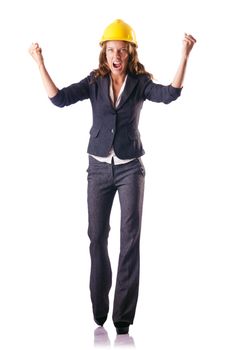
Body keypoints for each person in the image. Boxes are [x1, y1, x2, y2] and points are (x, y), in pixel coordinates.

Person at [29, 19, 196, 335]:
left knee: (130, 240)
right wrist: (40, 63)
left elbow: (170, 94)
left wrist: (184, 55)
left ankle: (123, 317)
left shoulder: (140, 82)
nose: (116, 56)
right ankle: (98, 308)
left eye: (121, 50)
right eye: (110, 50)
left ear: (130, 53)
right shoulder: (94, 81)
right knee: (96, 237)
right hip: (98, 169)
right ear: (104, 54)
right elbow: (59, 98)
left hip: (131, 167)